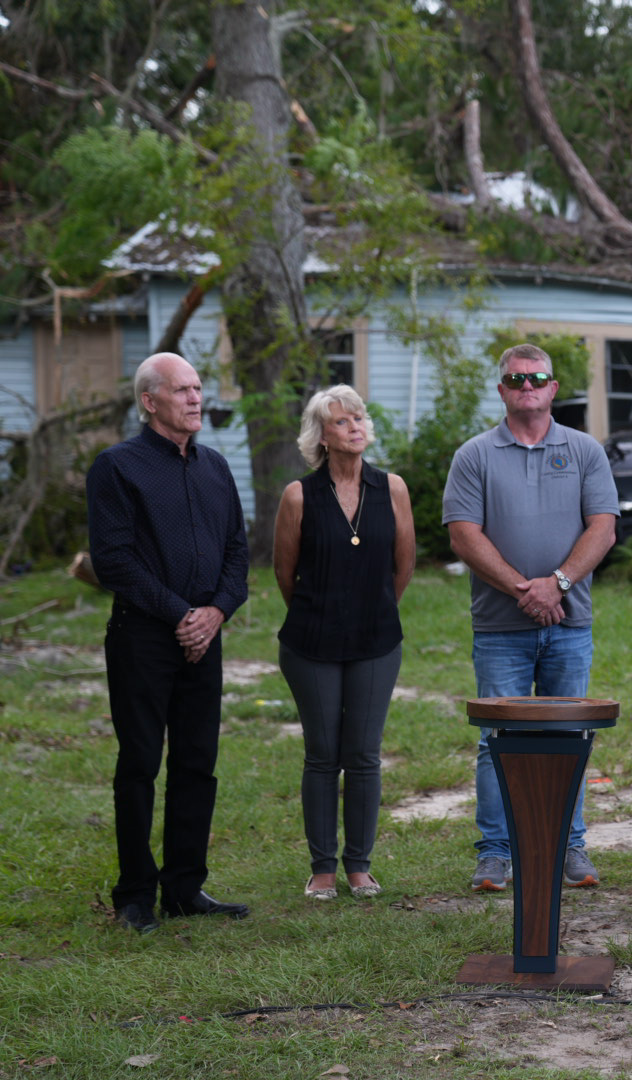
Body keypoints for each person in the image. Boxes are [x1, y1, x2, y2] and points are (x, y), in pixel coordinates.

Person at [443, 343, 618, 893]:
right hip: (501, 628)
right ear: (501, 390)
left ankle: (570, 845)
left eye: (537, 378)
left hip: (570, 624)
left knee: (570, 735)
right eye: (516, 380)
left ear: (553, 388)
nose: (527, 387)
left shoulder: (585, 451)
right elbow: (464, 535)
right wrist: (525, 589)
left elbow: (604, 528)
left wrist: (558, 584)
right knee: (499, 741)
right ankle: (495, 854)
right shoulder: (474, 455)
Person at [86, 352, 251, 932]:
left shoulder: (215, 467)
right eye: (181, 390)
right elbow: (114, 561)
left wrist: (215, 613)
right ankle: (134, 894)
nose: (195, 398)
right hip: (142, 639)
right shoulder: (117, 467)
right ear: (149, 402)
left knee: (197, 762)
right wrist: (183, 615)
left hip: (205, 637)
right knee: (139, 763)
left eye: (198, 388)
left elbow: (236, 550)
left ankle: (185, 887)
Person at [273, 386, 415, 901]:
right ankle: (322, 870)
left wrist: (371, 610)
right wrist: (325, 613)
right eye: (340, 421)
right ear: (321, 437)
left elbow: (404, 565)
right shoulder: (298, 496)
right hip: (311, 641)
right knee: (322, 753)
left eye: (358, 418)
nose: (354, 426)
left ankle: (359, 866)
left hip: (376, 640)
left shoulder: (391, 488)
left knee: (363, 754)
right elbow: (285, 574)